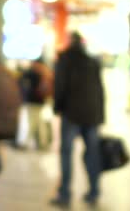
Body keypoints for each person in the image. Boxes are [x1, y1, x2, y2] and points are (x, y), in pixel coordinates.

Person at [50, 32, 104, 207]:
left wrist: (57, 107)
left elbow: (59, 86)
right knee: (92, 153)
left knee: (66, 153)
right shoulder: (92, 61)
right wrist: (101, 115)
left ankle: (65, 194)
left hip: (71, 113)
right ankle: (94, 192)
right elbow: (100, 89)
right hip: (92, 114)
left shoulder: (64, 60)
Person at [19, 58, 53, 150]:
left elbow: (22, 81)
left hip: (32, 102)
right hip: (41, 101)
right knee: (39, 123)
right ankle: (42, 143)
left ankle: (26, 142)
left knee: (32, 123)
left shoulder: (32, 72)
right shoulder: (45, 72)